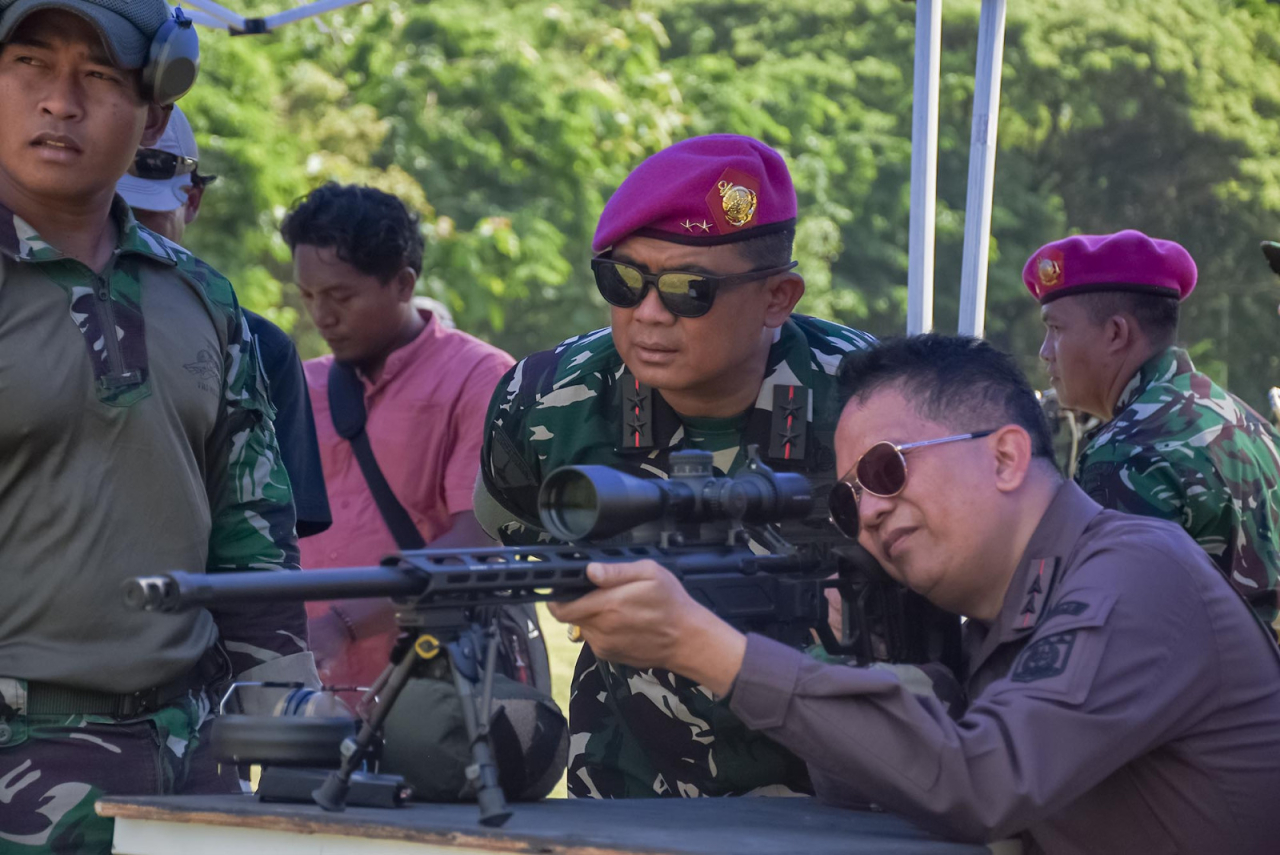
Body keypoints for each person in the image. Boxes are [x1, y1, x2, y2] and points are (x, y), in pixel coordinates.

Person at [549, 335, 1280, 854]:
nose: (866, 511)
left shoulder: (1134, 571)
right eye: (845, 502)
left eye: (886, 468)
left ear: (1004, 455)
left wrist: (708, 649)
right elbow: (870, 791)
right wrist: (851, 655)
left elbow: (983, 781)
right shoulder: (993, 621)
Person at [0, 2, 315, 852]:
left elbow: (254, 536)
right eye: (30, 63)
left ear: (157, 111)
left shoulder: (202, 300)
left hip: (191, 767)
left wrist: (290, 727)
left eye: (99, 75)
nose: (59, 100)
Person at [477, 134, 878, 799]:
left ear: (778, 297)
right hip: (629, 795)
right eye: (623, 281)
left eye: (691, 290)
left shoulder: (869, 398)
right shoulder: (547, 399)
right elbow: (508, 525)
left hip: (843, 800)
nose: (649, 315)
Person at [282, 183, 534, 692]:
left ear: (402, 283)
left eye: (341, 296)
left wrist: (342, 623)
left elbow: (482, 538)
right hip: (311, 703)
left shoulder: (479, 378)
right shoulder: (298, 388)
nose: (321, 317)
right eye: (309, 296)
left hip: (442, 692)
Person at [1030, 230, 1280, 633]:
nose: (1044, 352)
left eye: (1056, 329)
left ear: (1115, 333)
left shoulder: (1125, 451)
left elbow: (1113, 637)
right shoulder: (1250, 422)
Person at [116, 105, 332, 537]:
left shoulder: (258, 348)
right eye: (111, 213)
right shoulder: (23, 314)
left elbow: (269, 540)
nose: (125, 234)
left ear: (191, 201)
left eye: (143, 218)